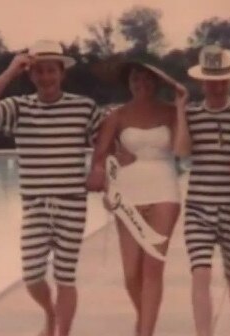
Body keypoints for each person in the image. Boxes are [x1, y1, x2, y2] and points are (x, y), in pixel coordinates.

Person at [0, 40, 103, 336]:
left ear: (61, 73)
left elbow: (104, 144)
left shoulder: (83, 107)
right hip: (36, 205)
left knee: (66, 277)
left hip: (71, 204)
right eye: (39, 71)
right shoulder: (19, 108)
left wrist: (99, 168)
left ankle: (61, 332)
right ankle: (50, 313)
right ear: (31, 75)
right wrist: (8, 73)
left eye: (51, 71)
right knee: (31, 275)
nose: (46, 77)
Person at [85, 60, 188, 336]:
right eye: (135, 80)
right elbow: (98, 158)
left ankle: (145, 332)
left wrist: (180, 106)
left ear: (156, 81)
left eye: (147, 79)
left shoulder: (169, 113)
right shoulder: (117, 116)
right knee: (132, 274)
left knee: (153, 267)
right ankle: (145, 321)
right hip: (127, 192)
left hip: (164, 188)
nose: (141, 84)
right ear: (128, 83)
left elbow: (181, 152)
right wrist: (112, 163)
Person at [180, 45, 230, 336]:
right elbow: (183, 153)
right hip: (199, 207)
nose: (217, 85)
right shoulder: (193, 114)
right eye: (212, 79)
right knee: (200, 273)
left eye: (223, 79)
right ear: (202, 81)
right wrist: (179, 110)